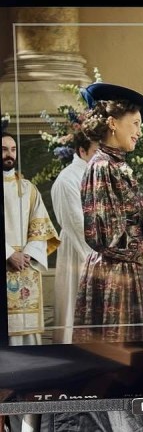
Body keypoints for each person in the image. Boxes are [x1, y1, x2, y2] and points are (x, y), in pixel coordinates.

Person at [73, 83, 143, 343]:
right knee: (121, 355)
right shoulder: (102, 166)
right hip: (116, 278)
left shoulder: (116, 164)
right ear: (113, 123)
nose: (139, 132)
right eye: (135, 123)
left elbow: (129, 220)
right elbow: (105, 236)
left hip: (130, 272)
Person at [3, 131, 59, 345]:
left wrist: (26, 255)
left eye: (13, 149)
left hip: (25, 266)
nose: (9, 154)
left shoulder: (29, 189)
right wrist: (9, 254)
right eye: (4, 149)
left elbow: (41, 227)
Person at [50, 130, 99, 344]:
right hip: (78, 251)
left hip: (98, 248)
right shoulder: (67, 179)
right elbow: (77, 223)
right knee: (74, 309)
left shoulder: (97, 174)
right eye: (96, 152)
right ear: (82, 151)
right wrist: (98, 256)